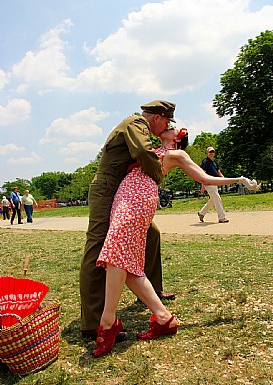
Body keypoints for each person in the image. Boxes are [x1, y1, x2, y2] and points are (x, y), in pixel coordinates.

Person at [92, 126, 259, 358]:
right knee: (127, 265)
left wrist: (240, 179)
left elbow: (204, 177)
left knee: (117, 254)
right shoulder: (149, 148)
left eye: (171, 127)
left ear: (177, 138)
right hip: (125, 199)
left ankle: (107, 323)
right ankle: (164, 319)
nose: (166, 127)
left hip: (138, 201)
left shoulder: (176, 155)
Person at [80, 100, 176, 342]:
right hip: (107, 189)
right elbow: (144, 153)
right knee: (98, 247)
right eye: (166, 121)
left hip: (120, 191)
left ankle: (151, 292)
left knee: (151, 234)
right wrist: (158, 176)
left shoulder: (141, 126)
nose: (166, 126)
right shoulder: (137, 123)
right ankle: (93, 323)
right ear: (157, 117)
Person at [198, 146, 229, 223]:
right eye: (210, 152)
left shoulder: (214, 162)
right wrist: (202, 186)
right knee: (217, 198)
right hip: (208, 183)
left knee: (213, 200)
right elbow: (203, 174)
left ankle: (201, 213)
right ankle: (222, 218)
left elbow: (219, 172)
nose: (211, 153)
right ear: (207, 153)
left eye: (213, 152)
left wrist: (225, 180)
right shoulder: (205, 162)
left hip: (215, 182)